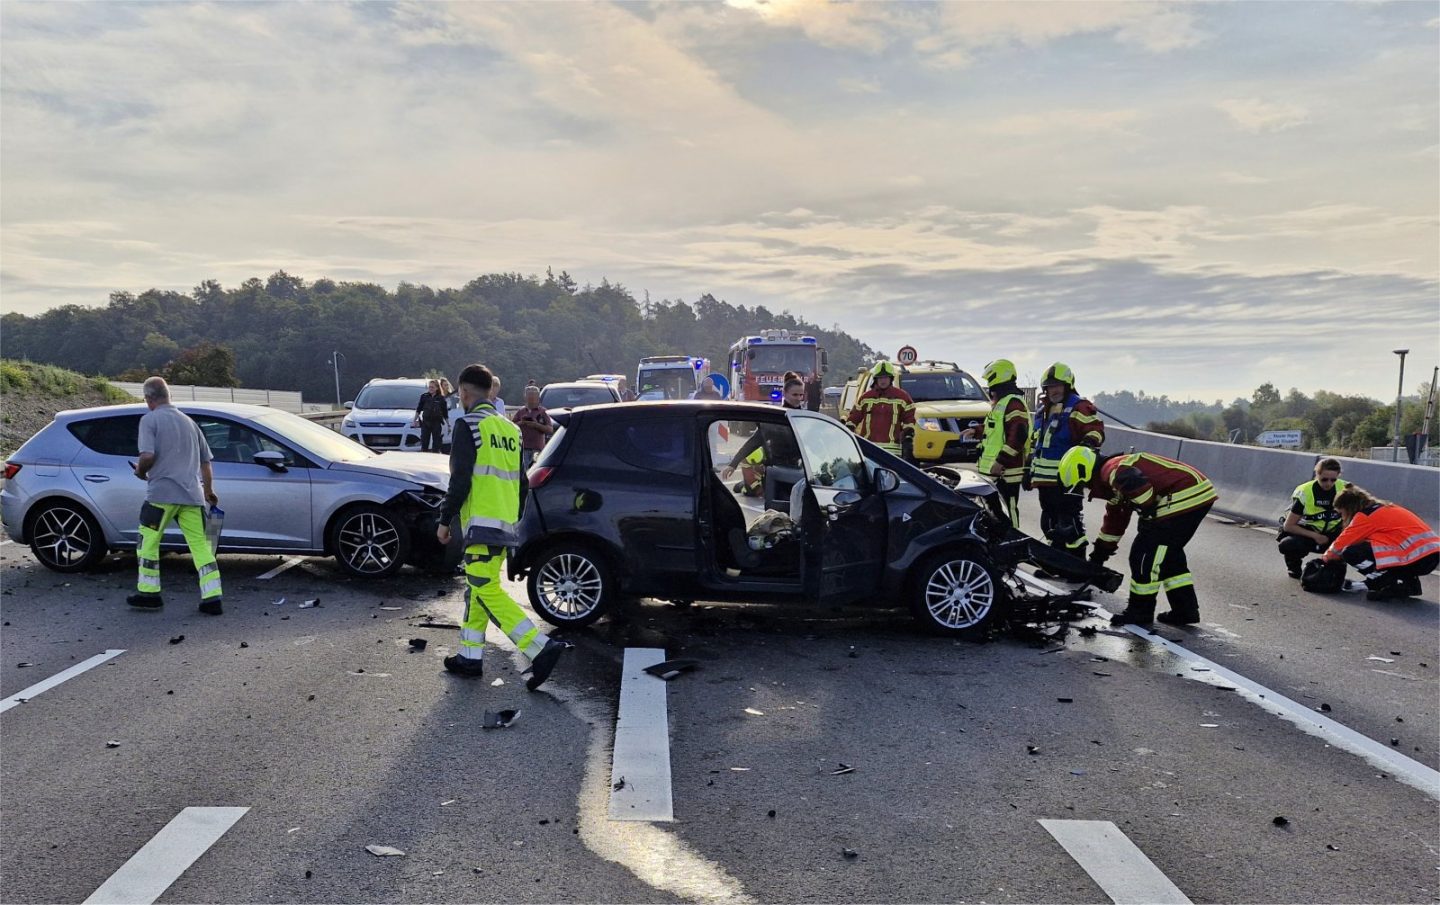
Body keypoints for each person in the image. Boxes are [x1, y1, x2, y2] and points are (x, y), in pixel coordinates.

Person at [437, 364, 569, 688]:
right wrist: (514, 519)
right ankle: (469, 657)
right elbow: (522, 483)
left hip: (479, 524)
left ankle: (539, 648)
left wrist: (444, 519)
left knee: (485, 590)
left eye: (459, 395)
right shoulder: (510, 430)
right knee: (477, 589)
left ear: (464, 393)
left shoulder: (468, 425)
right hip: (503, 524)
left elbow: (460, 479)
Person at [1058, 445, 1217, 627]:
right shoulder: (1113, 476)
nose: (1087, 489)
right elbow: (1116, 520)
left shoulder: (1112, 470)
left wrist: (1147, 509)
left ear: (1084, 470)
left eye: (1083, 484)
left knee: (1144, 554)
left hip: (1182, 495)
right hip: (1195, 492)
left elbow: (1135, 485)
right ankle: (1185, 610)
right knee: (1169, 556)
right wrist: (1099, 555)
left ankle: (1140, 612)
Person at [128, 376, 223, 615]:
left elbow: (147, 455)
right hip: (192, 495)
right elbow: (206, 463)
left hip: (160, 494)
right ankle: (212, 597)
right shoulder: (190, 423)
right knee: (201, 546)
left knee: (148, 543)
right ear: (168, 395)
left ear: (149, 398)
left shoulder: (149, 420)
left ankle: (149, 594)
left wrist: (140, 472)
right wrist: (209, 491)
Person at [1028, 362, 1104, 561]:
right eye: (1050, 386)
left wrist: (1087, 442)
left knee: (1070, 525)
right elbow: (1036, 442)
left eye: (1058, 386)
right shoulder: (1043, 410)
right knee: (1050, 524)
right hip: (1044, 481)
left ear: (1067, 385)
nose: (1053, 390)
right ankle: (1056, 564)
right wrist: (1029, 469)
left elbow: (1095, 431)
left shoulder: (1079, 407)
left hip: (1067, 480)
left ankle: (1076, 566)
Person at [1323, 486, 1438, 601]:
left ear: (1349, 509)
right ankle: (1409, 584)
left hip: (1417, 557)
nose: (1342, 518)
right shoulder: (1387, 507)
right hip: (1431, 556)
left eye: (1341, 514)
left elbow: (1338, 547)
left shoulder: (1365, 516)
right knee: (1377, 550)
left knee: (1351, 552)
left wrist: (1324, 560)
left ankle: (1385, 583)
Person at [961, 359, 1031, 527]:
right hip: (997, 471)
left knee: (1008, 510)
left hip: (1007, 471)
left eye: (989, 379)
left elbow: (1018, 436)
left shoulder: (1013, 403)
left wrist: (1001, 461)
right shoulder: (1003, 403)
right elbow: (996, 429)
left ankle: (1015, 541)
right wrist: (976, 431)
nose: (989, 385)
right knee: (996, 512)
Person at [721, 373, 806, 494]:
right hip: (777, 474)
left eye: (801, 395)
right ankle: (745, 485)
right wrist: (733, 464)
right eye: (795, 394)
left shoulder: (805, 418)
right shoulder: (775, 419)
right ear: (785, 394)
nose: (798, 398)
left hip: (800, 474)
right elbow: (752, 443)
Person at [1277, 458, 1348, 578]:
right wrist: (1316, 536)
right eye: (1324, 479)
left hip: (1333, 534)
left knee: (1356, 546)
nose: (1329, 484)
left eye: (1333, 480)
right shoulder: (1305, 492)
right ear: (1317, 474)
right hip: (1307, 533)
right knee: (1288, 544)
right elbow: (1289, 526)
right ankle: (1294, 567)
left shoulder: (1345, 489)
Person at [845, 361, 916, 458]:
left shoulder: (902, 397)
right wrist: (848, 431)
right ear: (875, 379)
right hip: (869, 449)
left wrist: (908, 437)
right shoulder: (866, 398)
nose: (883, 380)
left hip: (893, 452)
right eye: (880, 378)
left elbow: (909, 419)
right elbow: (853, 418)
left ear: (891, 378)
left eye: (886, 377)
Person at [511, 384, 554, 472]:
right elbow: (511, 426)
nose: (532, 400)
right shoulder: (521, 411)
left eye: (534, 397)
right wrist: (522, 423)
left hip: (537, 448)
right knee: (524, 472)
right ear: (525, 397)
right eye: (530, 397)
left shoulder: (542, 412)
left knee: (535, 471)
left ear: (538, 398)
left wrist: (536, 425)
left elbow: (550, 430)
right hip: (523, 447)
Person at [413, 379, 449, 454]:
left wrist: (448, 424)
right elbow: (418, 409)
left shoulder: (441, 398)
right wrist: (414, 420)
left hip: (436, 422)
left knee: (436, 444)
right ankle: (424, 458)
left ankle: (434, 458)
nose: (430, 389)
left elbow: (445, 413)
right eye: (429, 387)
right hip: (426, 423)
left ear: (437, 388)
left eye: (432, 387)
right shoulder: (424, 397)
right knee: (424, 443)